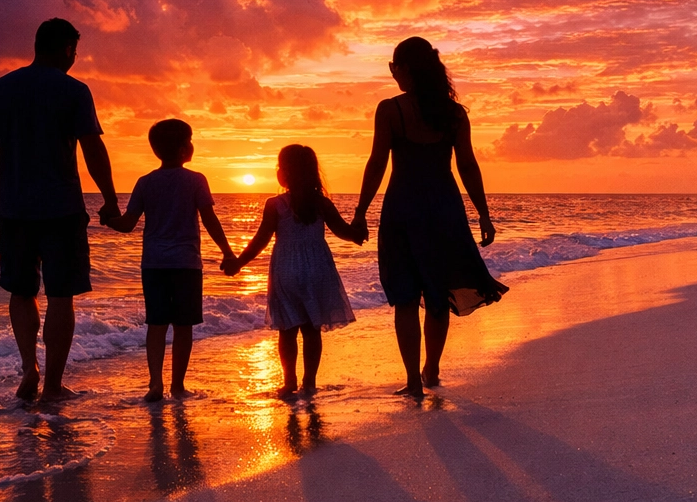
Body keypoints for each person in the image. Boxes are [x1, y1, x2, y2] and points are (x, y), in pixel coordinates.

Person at [0, 18, 118, 402]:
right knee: (60, 296)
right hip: (62, 209)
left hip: (15, 209)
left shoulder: (0, 88)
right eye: (74, 51)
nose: (75, 58)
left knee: (21, 293)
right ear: (65, 49)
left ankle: (28, 370)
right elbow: (92, 149)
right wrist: (110, 198)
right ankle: (52, 384)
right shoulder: (74, 91)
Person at [352, 36, 507, 399]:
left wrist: (360, 211)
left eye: (394, 68)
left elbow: (377, 163)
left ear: (406, 68)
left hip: (403, 210)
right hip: (443, 210)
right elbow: (467, 165)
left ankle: (411, 382)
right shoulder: (454, 115)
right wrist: (483, 214)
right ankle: (431, 368)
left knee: (405, 298)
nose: (393, 75)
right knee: (436, 296)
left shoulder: (391, 110)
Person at [102, 119, 236, 402]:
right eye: (189, 140)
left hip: (154, 264)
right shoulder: (196, 180)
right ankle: (177, 385)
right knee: (183, 325)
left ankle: (155, 383)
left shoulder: (145, 182)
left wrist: (108, 220)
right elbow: (209, 219)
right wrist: (227, 251)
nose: (192, 145)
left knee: (157, 324)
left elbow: (127, 224)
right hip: (186, 263)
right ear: (182, 147)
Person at [228, 144, 364, 397]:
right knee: (312, 330)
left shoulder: (275, 204)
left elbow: (260, 240)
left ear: (283, 175)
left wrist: (238, 262)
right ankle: (309, 382)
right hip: (317, 269)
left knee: (287, 330)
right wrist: (358, 232)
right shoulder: (321, 204)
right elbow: (344, 232)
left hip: (286, 271)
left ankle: (289, 381)